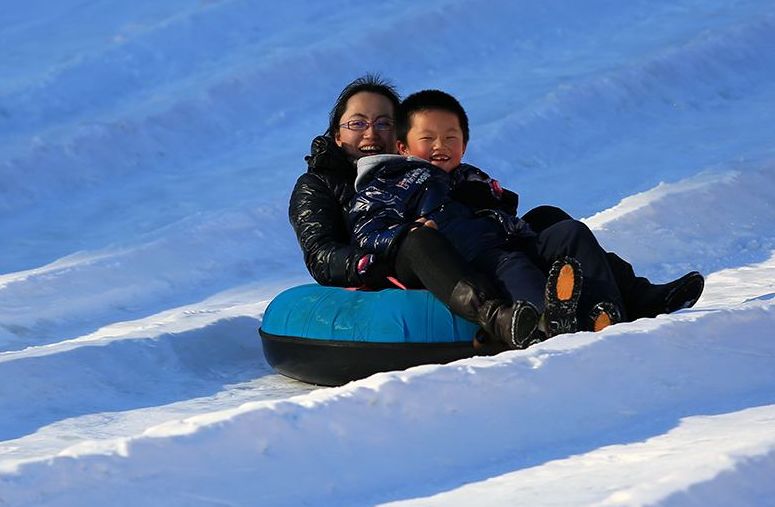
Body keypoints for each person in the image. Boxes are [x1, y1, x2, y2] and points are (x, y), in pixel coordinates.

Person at [289, 76, 704, 348]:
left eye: (383, 123)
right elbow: (322, 254)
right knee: (428, 241)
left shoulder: (429, 169)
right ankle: (508, 318)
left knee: (549, 219)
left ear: (399, 135)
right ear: (336, 130)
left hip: (470, 242)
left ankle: (627, 300)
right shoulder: (321, 184)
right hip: (397, 265)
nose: (371, 133)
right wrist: (374, 257)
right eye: (357, 123)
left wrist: (492, 207)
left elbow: (494, 207)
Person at [350, 89, 633, 346]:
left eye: (451, 138)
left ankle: (604, 312)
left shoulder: (469, 175)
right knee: (513, 265)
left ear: (464, 144)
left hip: (511, 240)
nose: (441, 146)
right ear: (403, 147)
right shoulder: (394, 180)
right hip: (473, 259)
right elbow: (367, 227)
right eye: (428, 138)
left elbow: (504, 207)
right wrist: (407, 232)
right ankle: (548, 322)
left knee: (570, 232)